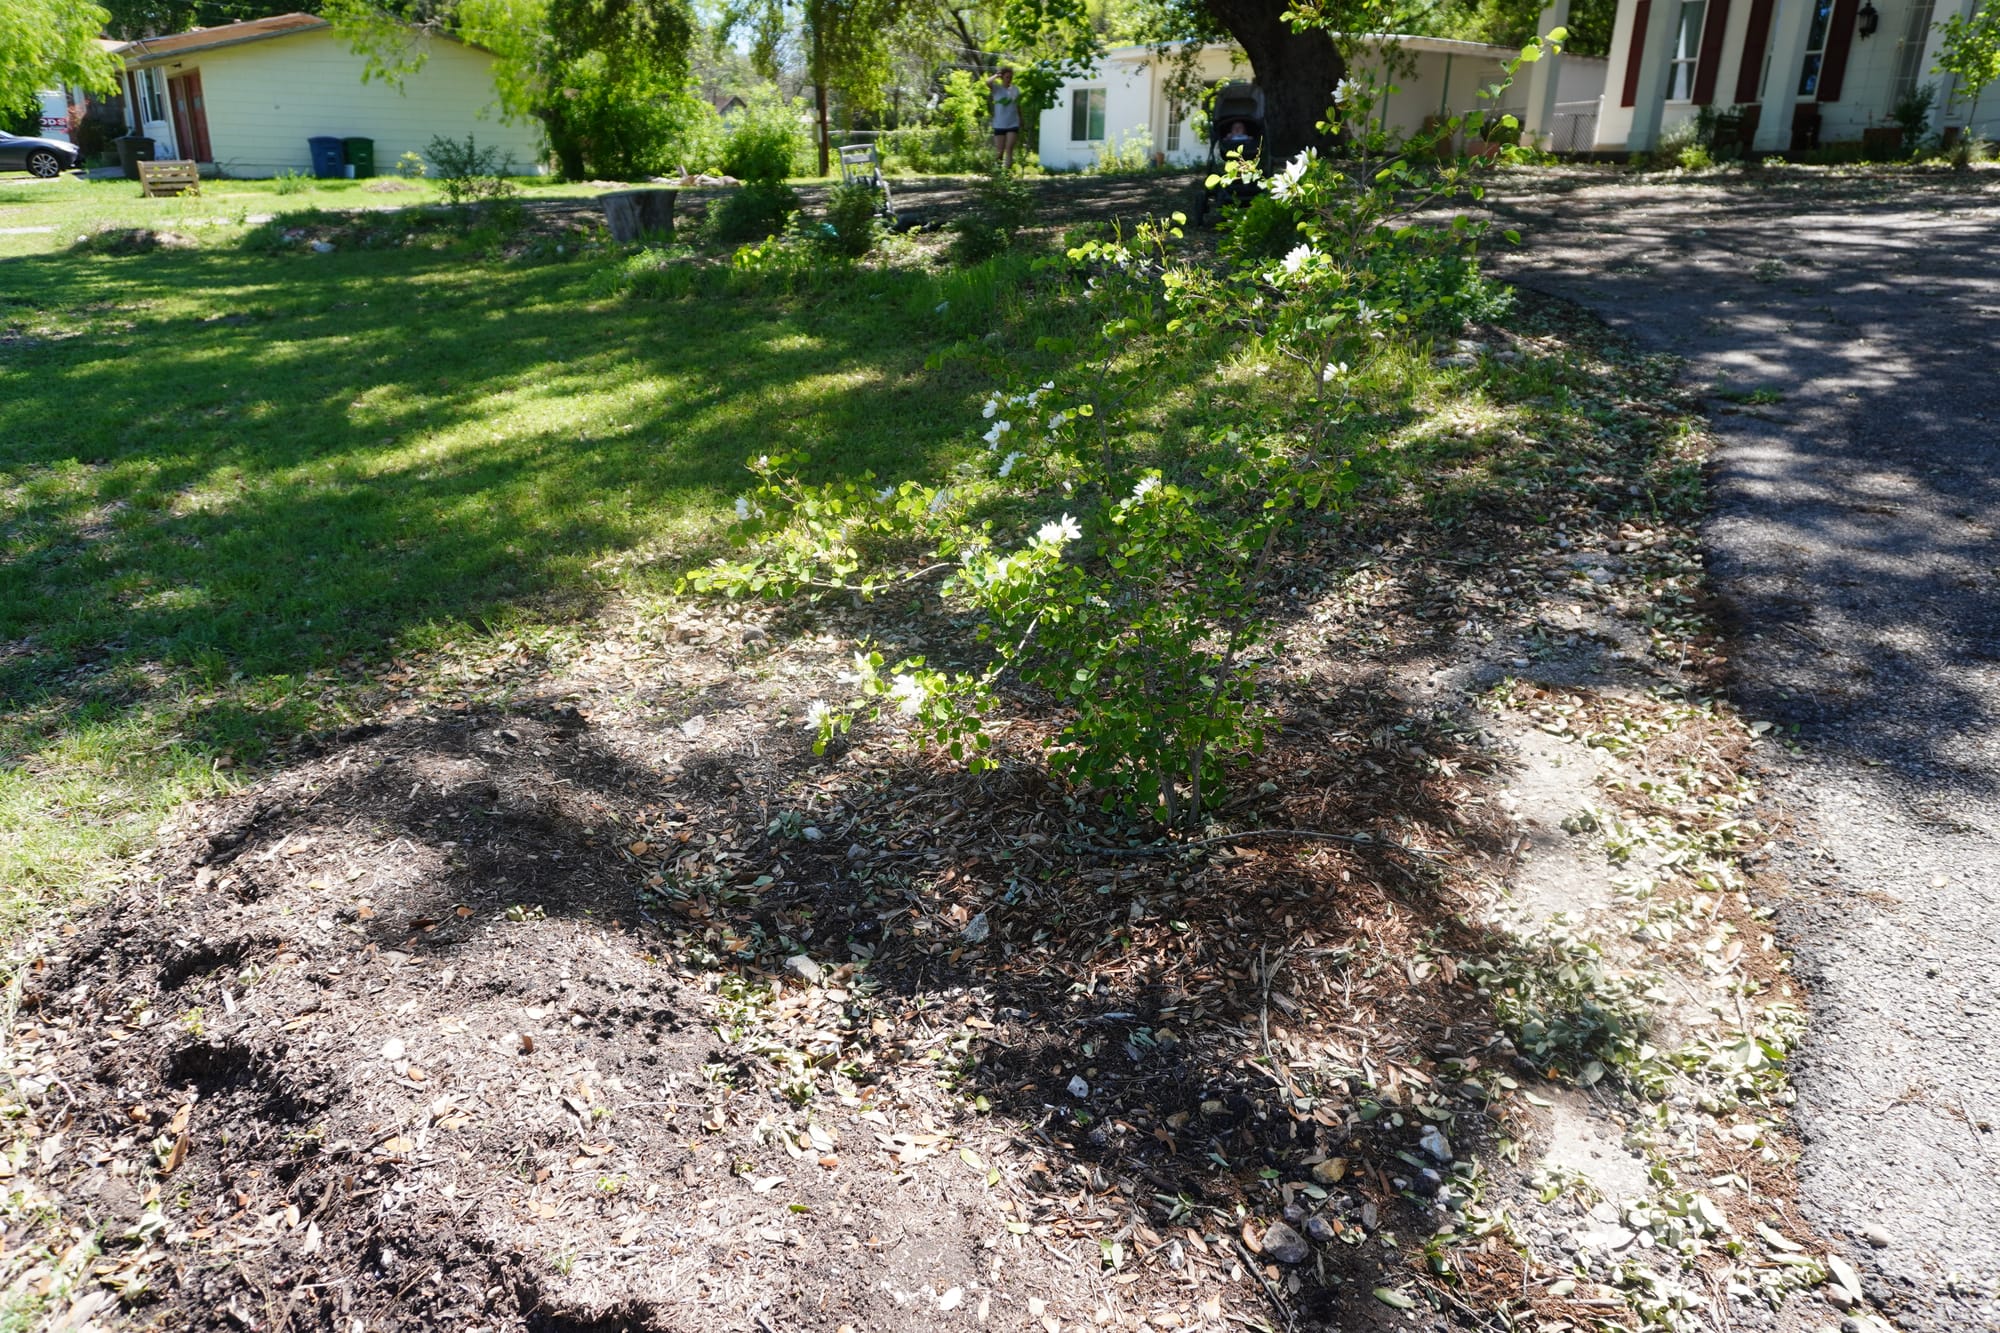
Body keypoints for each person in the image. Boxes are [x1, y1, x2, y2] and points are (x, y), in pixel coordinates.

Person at [988, 66, 1022, 169]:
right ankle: (998, 173)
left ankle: (1007, 173)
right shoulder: (997, 89)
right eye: (1007, 77)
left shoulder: (1015, 89)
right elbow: (988, 82)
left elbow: (1018, 105)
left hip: (1013, 122)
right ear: (1002, 77)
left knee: (1009, 148)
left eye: (1011, 77)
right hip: (999, 124)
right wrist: (996, 75)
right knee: (1000, 151)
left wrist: (1021, 118)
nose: (1009, 79)